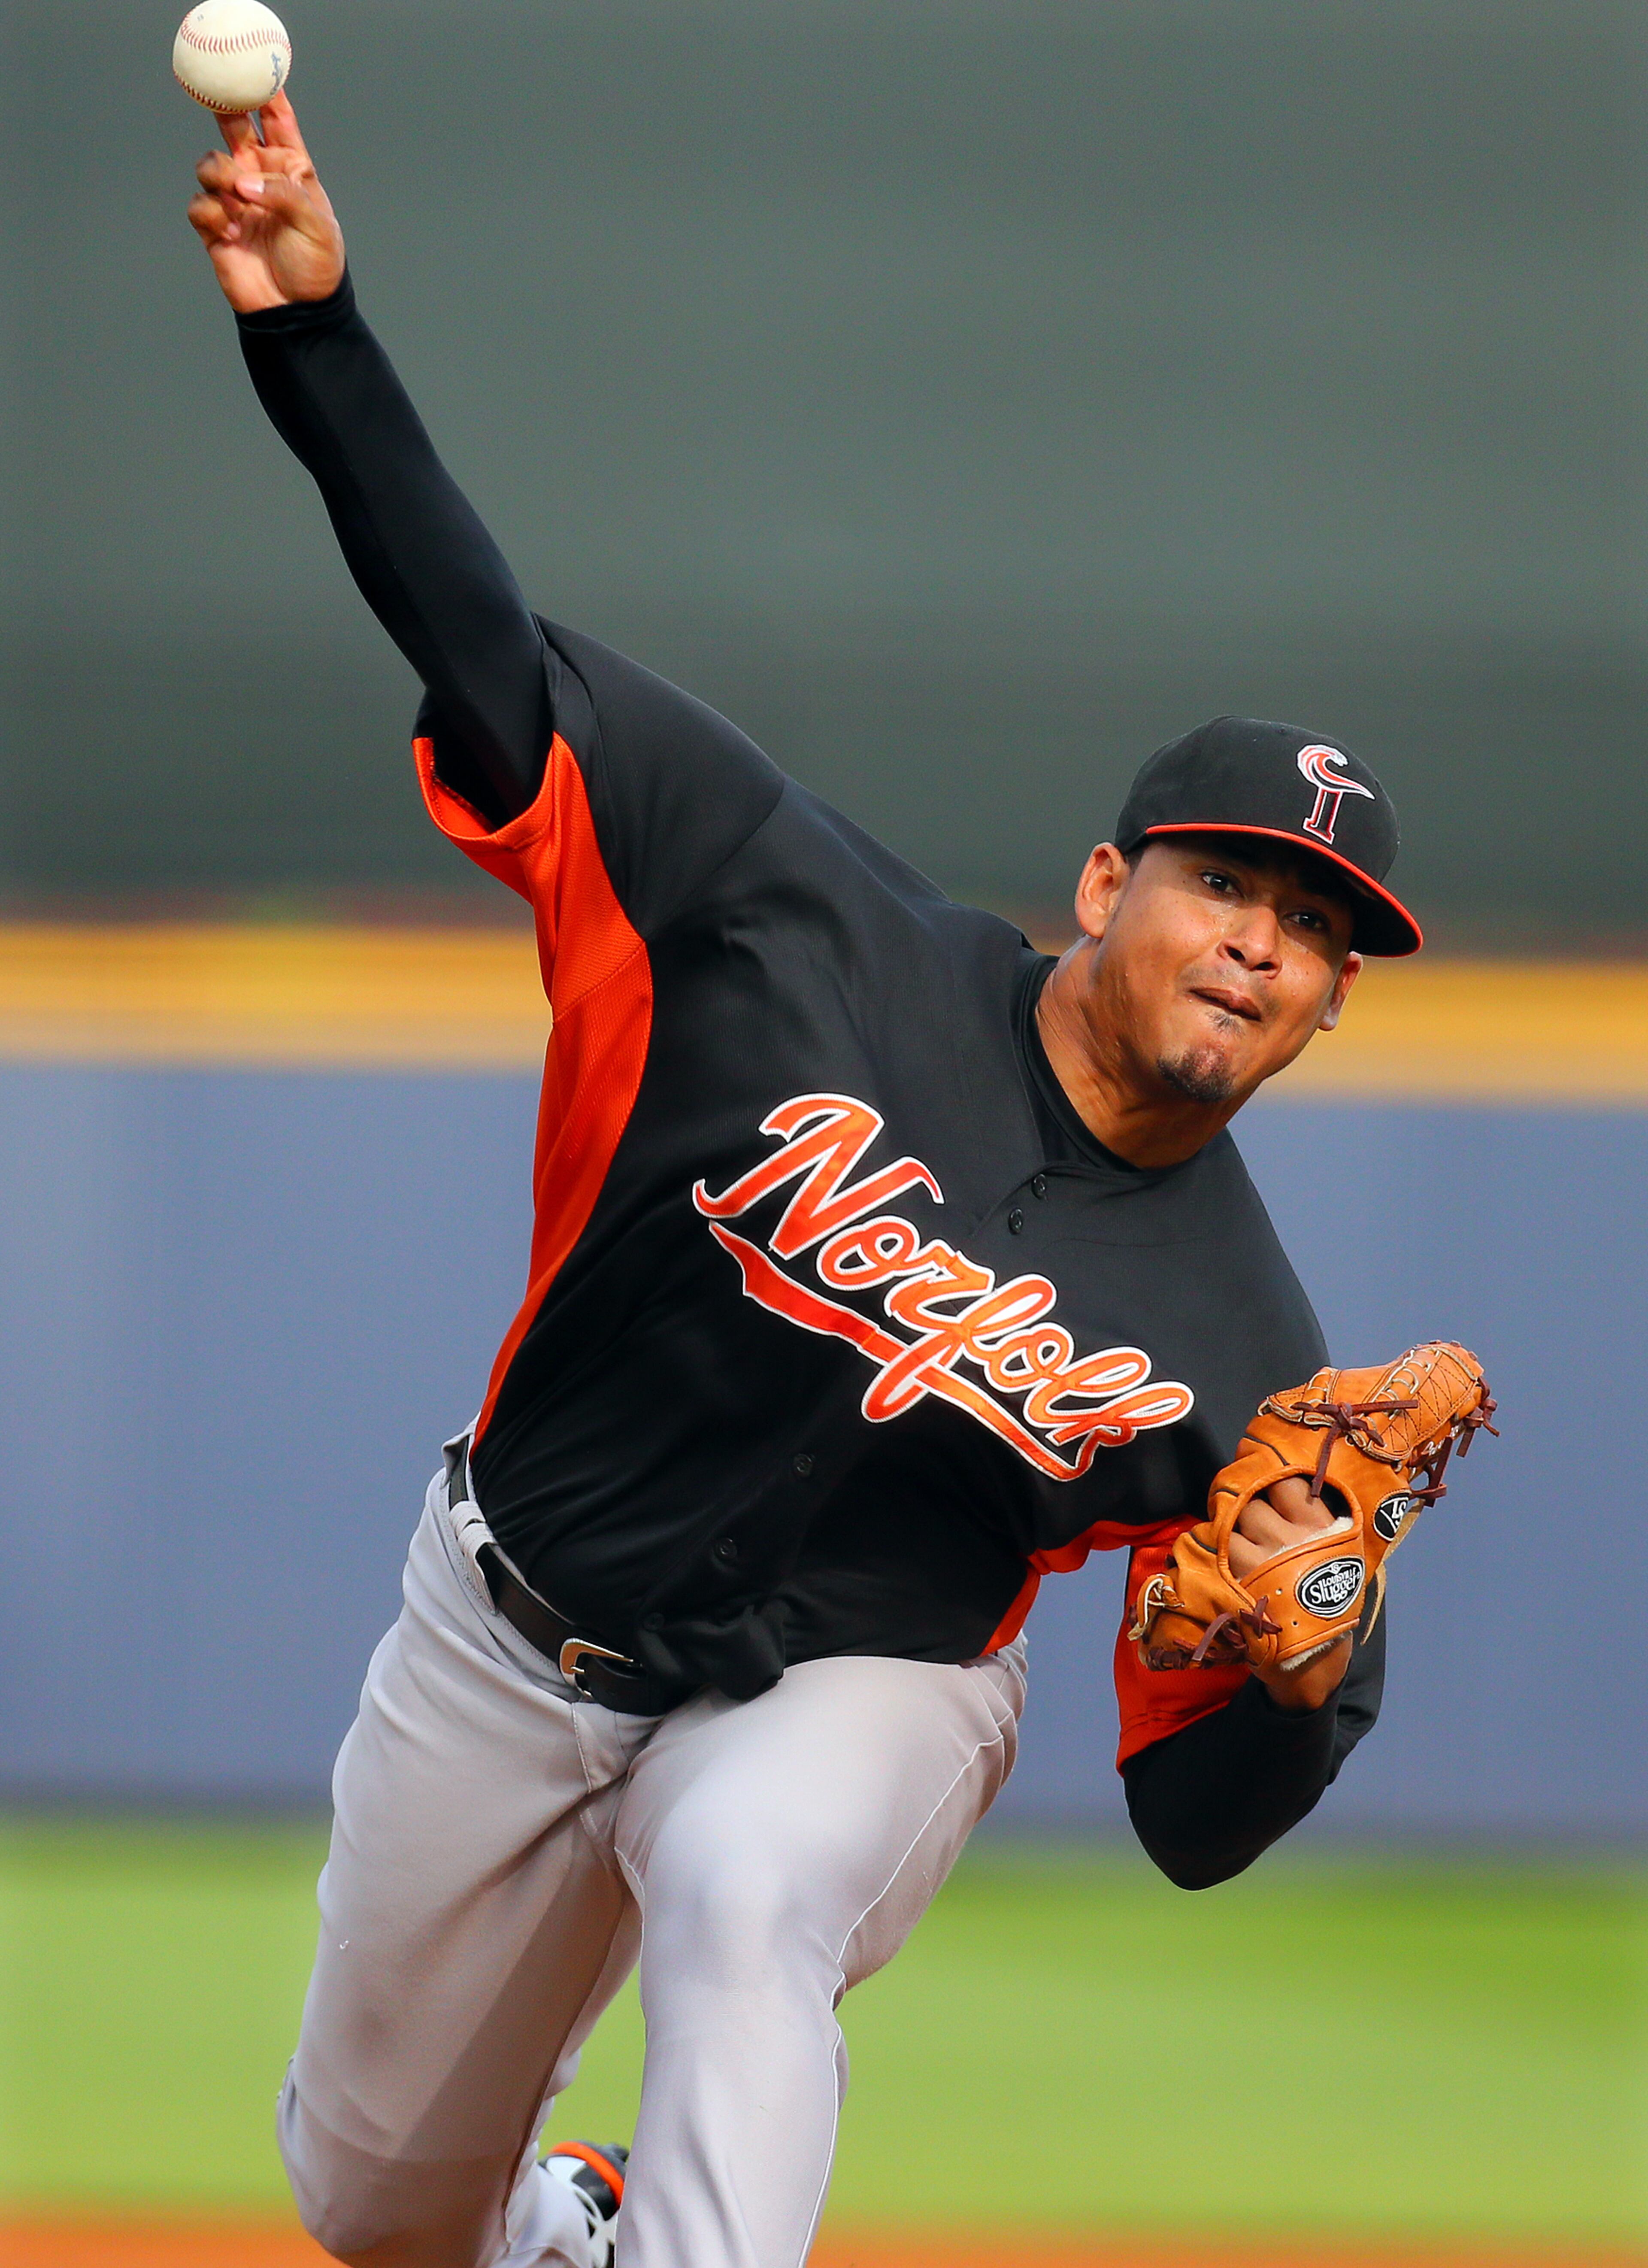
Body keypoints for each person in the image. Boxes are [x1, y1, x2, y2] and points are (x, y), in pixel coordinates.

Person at [186, 95, 1422, 2268]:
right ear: (1106, 884)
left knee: (752, 1884)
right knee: (373, 2204)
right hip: (511, 1617)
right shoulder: (775, 908)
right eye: (1231, 883)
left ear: (1328, 1008)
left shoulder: (1254, 1354)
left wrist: (1312, 1672)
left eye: (1317, 934)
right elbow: (488, 647)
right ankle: (551, 2234)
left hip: (862, 1692)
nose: (1263, 942)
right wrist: (319, 340)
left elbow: (1196, 1821)